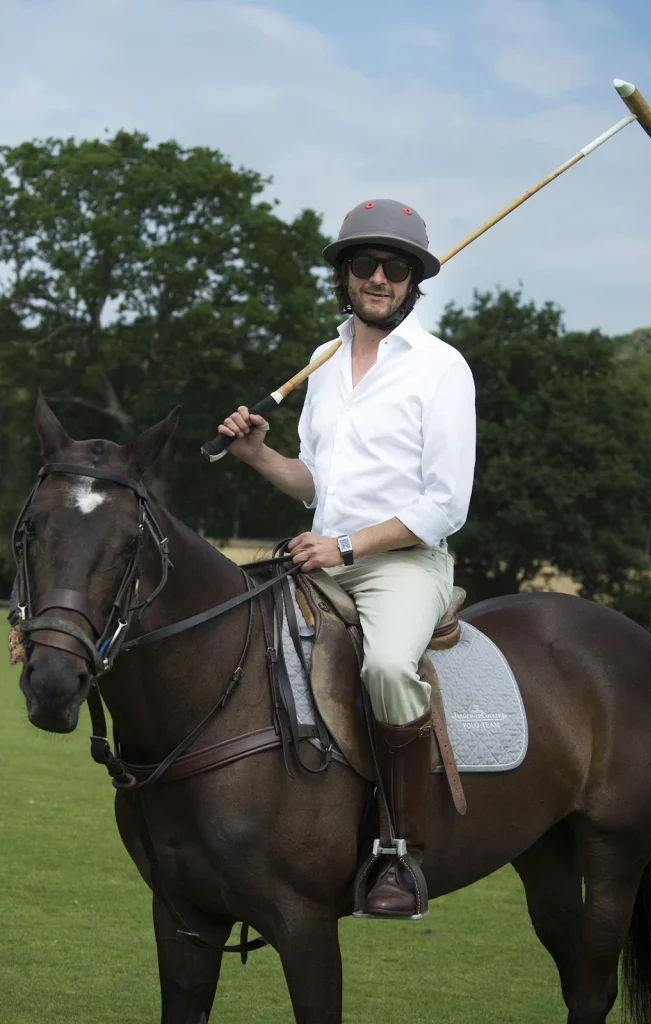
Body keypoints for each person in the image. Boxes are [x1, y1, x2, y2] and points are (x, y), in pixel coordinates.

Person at [218, 199, 476, 918]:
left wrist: (347, 544)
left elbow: (445, 503)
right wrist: (259, 454)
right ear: (344, 274)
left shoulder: (442, 368)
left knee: (389, 667)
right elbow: (315, 483)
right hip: (321, 555)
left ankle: (399, 853)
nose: (380, 277)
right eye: (365, 263)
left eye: (396, 267)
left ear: (414, 281)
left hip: (403, 563)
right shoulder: (324, 364)